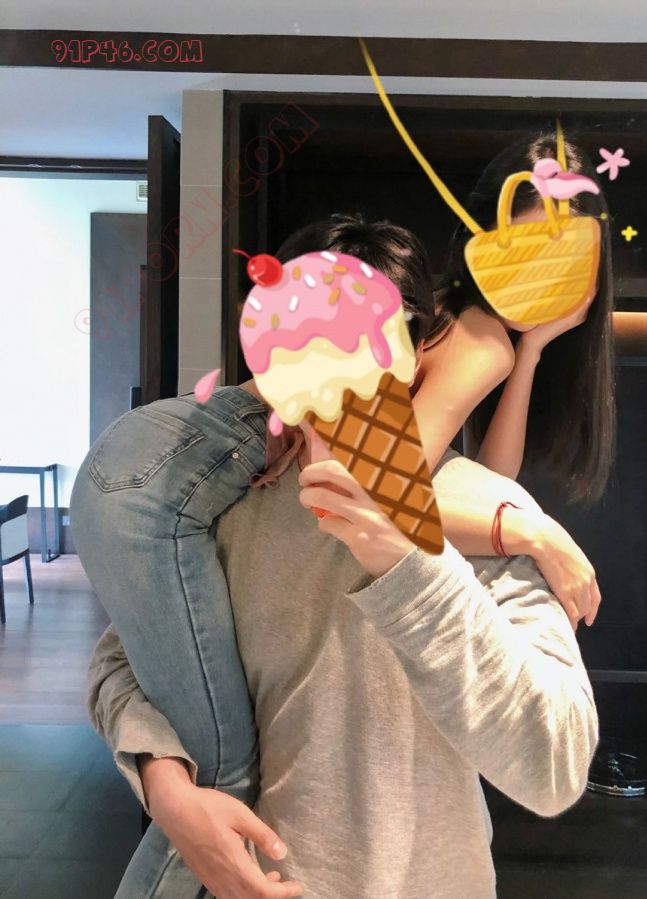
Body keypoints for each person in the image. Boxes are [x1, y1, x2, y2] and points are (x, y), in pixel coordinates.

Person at [76, 214, 599, 898]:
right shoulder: (226, 507)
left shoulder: (490, 512)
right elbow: (120, 662)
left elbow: (556, 766)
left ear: (415, 351)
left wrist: (412, 563)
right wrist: (166, 786)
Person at [413, 133, 615, 504]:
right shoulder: (472, 334)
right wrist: (528, 531)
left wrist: (530, 350)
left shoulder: (483, 334)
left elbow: (489, 480)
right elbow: (383, 486)